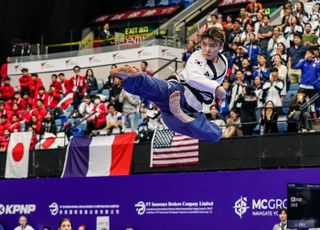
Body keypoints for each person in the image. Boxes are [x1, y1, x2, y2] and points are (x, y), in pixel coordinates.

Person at [110, 27, 227, 143]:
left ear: (221, 46)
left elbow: (216, 88)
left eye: (212, 46)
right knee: (156, 88)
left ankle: (180, 114)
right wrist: (216, 88)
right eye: (204, 44)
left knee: (215, 135)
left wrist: (218, 94)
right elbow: (192, 77)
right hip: (178, 94)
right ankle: (128, 76)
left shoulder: (224, 63)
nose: (207, 49)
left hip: (187, 114)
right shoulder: (197, 56)